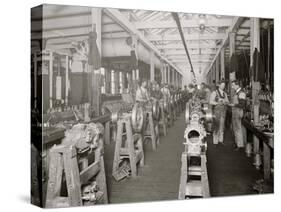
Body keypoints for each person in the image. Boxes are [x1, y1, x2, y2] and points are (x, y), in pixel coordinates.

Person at [209, 80, 229, 146]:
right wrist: (217, 102)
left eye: (224, 85)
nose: (223, 86)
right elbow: (211, 102)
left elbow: (228, 102)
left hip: (223, 112)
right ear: (219, 85)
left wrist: (225, 101)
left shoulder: (225, 93)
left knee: (222, 127)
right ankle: (215, 142)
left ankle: (221, 140)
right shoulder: (214, 93)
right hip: (216, 112)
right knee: (216, 127)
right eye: (222, 85)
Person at [229, 80, 246, 151]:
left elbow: (242, 104)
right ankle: (237, 143)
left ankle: (240, 145)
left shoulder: (241, 93)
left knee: (238, 128)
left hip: (238, 112)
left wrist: (233, 104)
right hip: (235, 112)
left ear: (237, 85)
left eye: (233, 85)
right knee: (235, 128)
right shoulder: (236, 93)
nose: (232, 87)